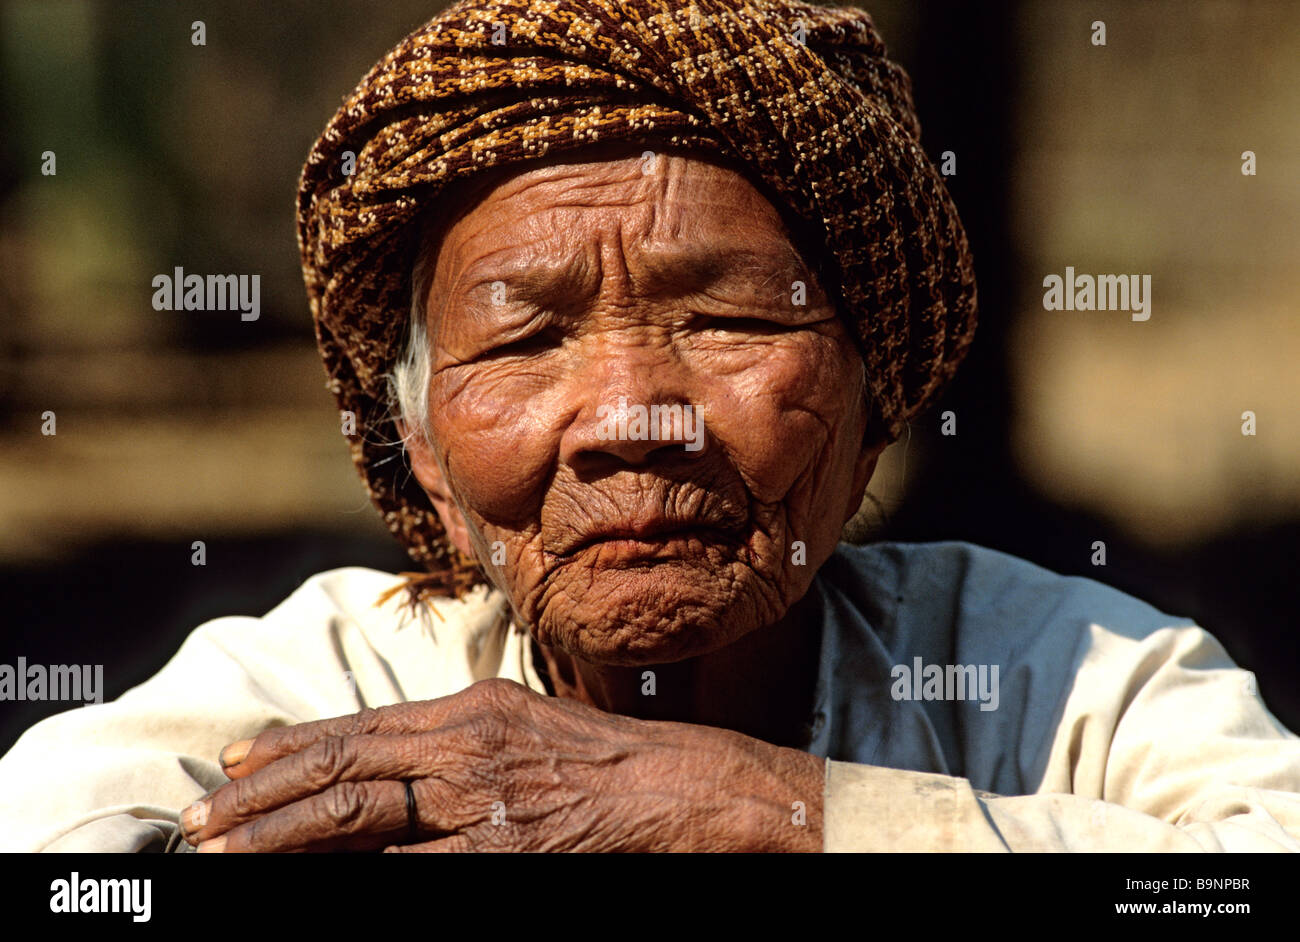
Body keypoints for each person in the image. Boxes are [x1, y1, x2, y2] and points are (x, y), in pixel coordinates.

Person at [2, 0, 1297, 852]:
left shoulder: (1059, 677)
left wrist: (761, 810)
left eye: (729, 322)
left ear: (870, 404)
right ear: (426, 456)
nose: (632, 414)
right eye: (524, 338)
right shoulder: (332, 693)